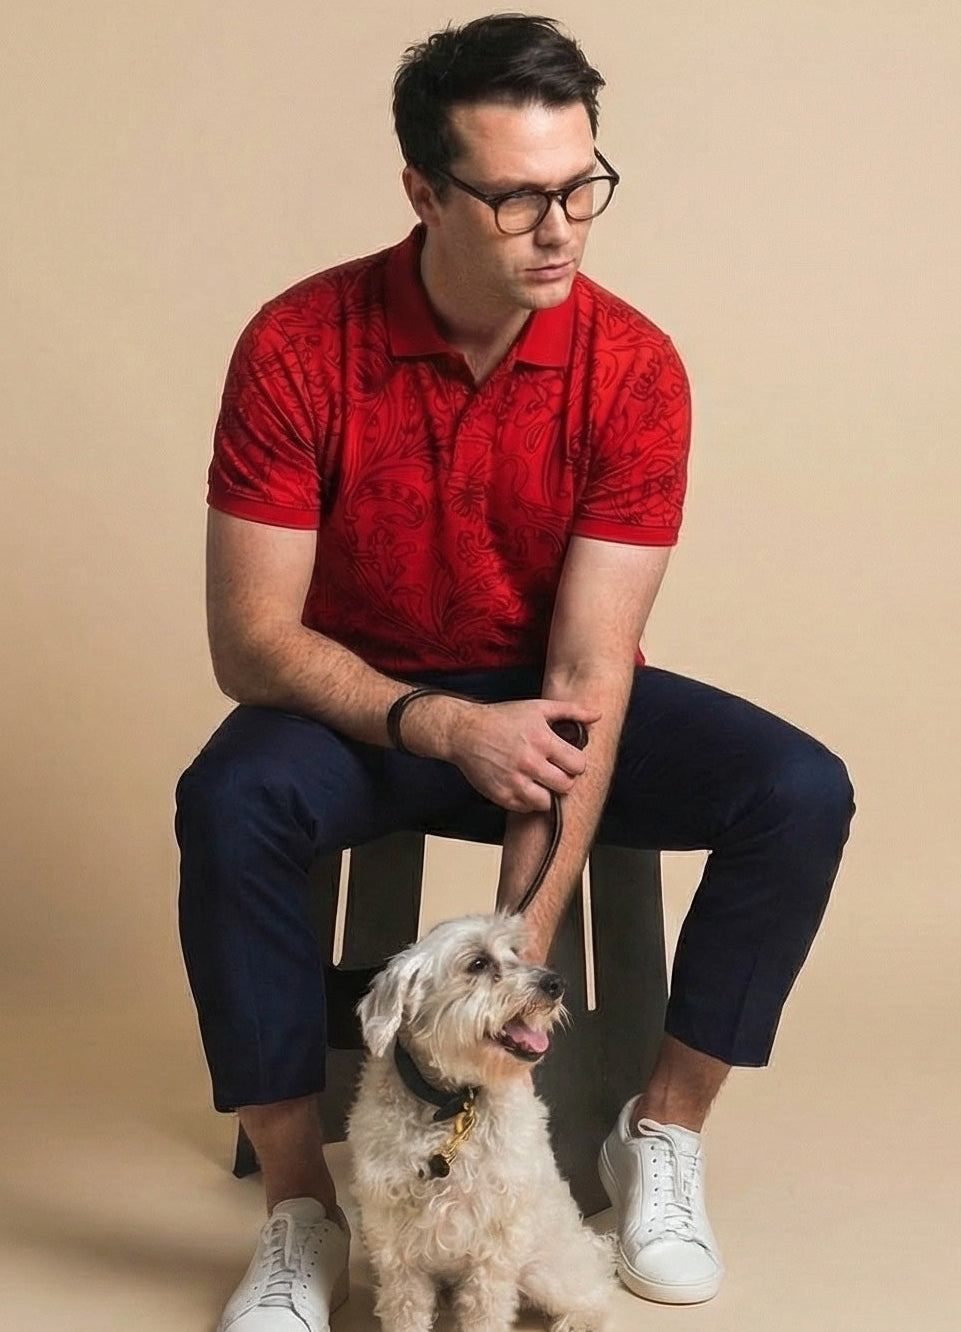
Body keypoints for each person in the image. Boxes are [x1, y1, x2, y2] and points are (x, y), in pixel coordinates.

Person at [175, 13, 854, 1329]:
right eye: (517, 198)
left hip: (544, 691)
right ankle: (299, 1211)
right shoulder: (296, 344)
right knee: (229, 803)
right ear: (423, 191)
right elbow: (250, 640)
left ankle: (656, 1135)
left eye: (580, 188)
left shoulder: (633, 367)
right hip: (359, 697)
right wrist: (438, 726)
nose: (559, 228)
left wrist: (509, 981)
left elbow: (588, 666)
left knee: (797, 789)